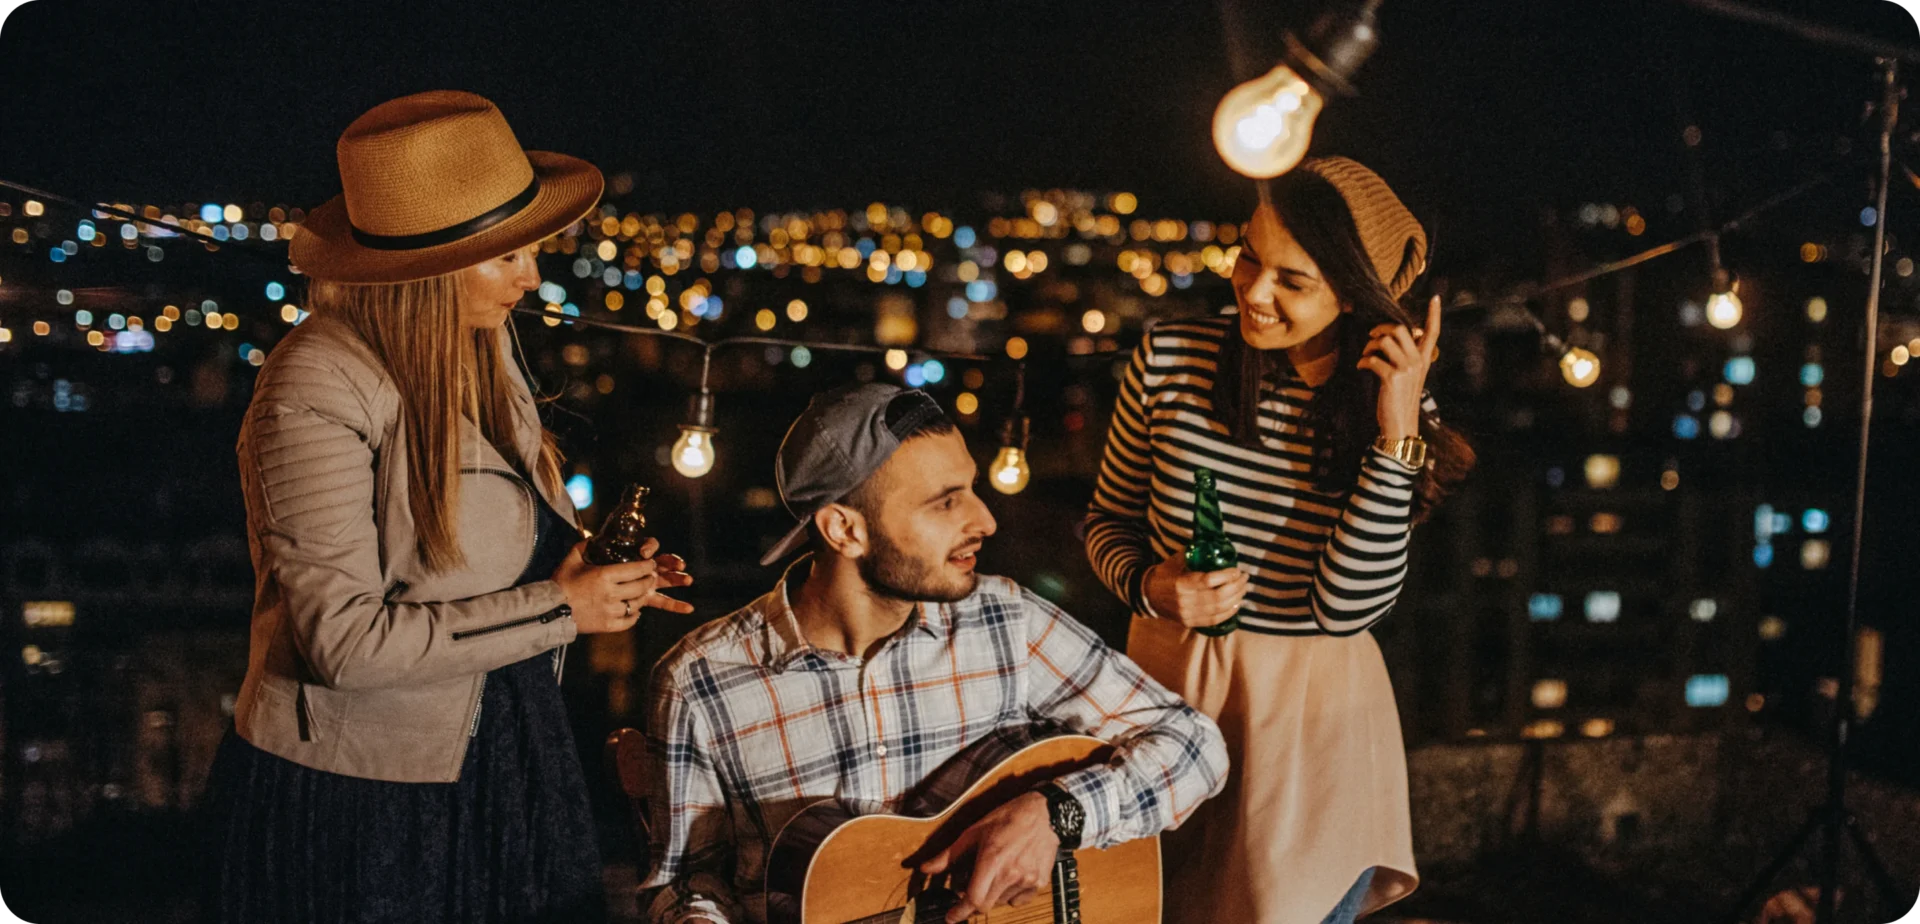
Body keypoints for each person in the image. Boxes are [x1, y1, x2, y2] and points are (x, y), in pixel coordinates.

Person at [202, 90, 694, 923]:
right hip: (365, 798)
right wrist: (560, 608)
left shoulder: (479, 348)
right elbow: (345, 645)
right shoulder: (312, 389)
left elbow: (481, 544)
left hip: (502, 755)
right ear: (427, 271)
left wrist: (586, 573)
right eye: (506, 257)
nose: (531, 277)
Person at [639, 384, 1228, 924]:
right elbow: (687, 883)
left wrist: (1057, 815)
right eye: (946, 503)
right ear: (845, 530)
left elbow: (1194, 744)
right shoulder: (702, 684)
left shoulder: (1005, 622)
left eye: (971, 489)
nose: (986, 520)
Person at [1084, 157, 1475, 924]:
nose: (1254, 291)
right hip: (1164, 700)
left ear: (1355, 294)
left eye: (1293, 281)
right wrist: (1150, 587)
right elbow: (1106, 523)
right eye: (1249, 255)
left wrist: (1396, 436)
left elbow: (1344, 607)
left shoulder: (1381, 406)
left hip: (1308, 731)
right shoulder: (1168, 358)